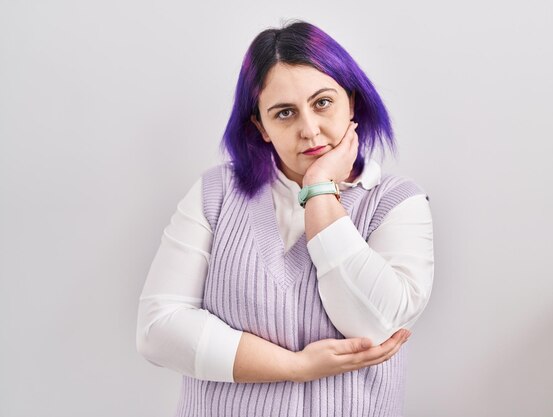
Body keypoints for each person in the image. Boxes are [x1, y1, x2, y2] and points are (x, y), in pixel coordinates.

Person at [136, 19, 434, 417]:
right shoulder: (216, 194)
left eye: (322, 103)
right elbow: (158, 331)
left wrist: (320, 190)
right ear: (260, 126)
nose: (309, 130)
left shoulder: (398, 203)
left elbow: (374, 326)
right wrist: (295, 367)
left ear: (353, 102)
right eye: (284, 113)